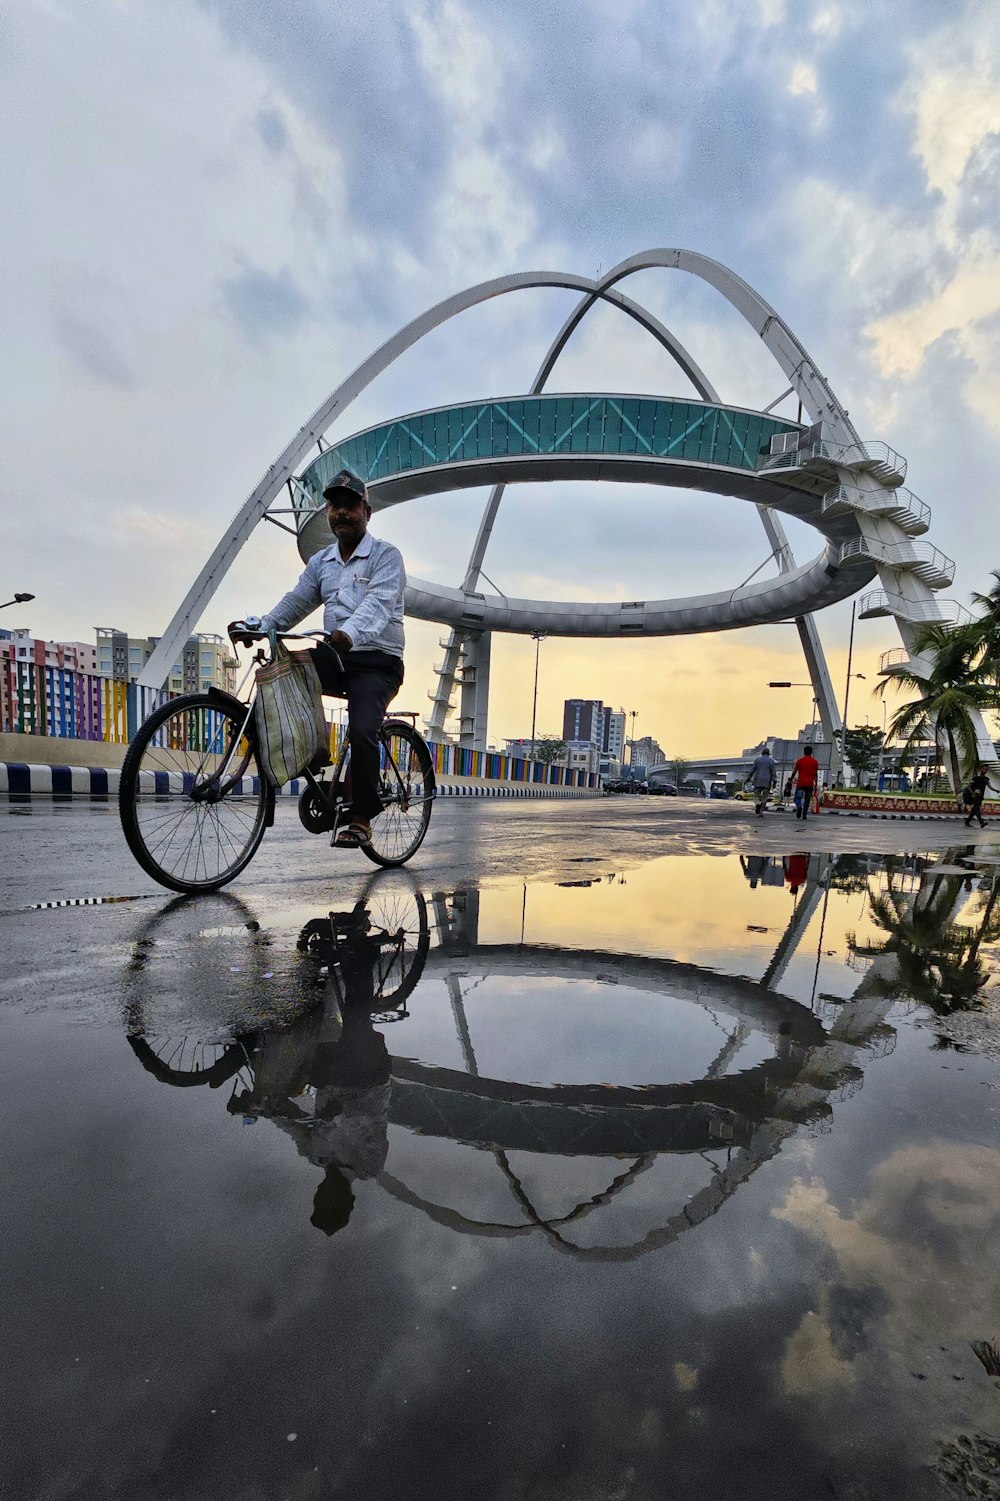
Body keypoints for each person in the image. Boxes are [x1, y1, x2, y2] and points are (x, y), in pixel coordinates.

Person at [231, 469, 405, 848]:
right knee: (285, 673)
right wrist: (260, 625)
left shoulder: (386, 556)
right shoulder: (321, 562)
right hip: (336, 655)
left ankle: (362, 817)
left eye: (349, 506)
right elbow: (297, 601)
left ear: (366, 511)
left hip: (377, 661)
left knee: (361, 731)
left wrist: (349, 634)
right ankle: (309, 751)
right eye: (334, 506)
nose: (341, 513)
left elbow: (377, 605)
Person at [964, 765, 999, 829]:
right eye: (984, 769)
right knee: (977, 809)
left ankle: (967, 822)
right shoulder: (975, 778)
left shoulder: (986, 779)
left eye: (986, 770)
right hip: (974, 796)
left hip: (980, 797)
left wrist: (996, 790)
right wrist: (973, 793)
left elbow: (990, 787)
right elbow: (969, 786)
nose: (985, 771)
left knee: (974, 811)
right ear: (980, 769)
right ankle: (981, 822)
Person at [792, 743, 820, 821]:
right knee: (807, 800)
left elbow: (795, 771)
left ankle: (799, 807)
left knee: (797, 798)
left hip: (801, 783)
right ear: (811, 752)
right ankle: (804, 815)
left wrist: (791, 778)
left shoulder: (800, 761)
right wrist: (816, 784)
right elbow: (815, 774)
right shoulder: (815, 762)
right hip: (809, 784)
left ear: (804, 752)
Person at [748, 745, 777, 816]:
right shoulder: (771, 761)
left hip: (758, 781)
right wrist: (774, 782)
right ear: (768, 754)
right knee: (765, 797)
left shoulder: (757, 760)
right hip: (767, 782)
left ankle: (757, 804)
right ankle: (761, 812)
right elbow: (773, 773)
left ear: (762, 753)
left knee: (756, 795)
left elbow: (752, 770)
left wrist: (748, 778)